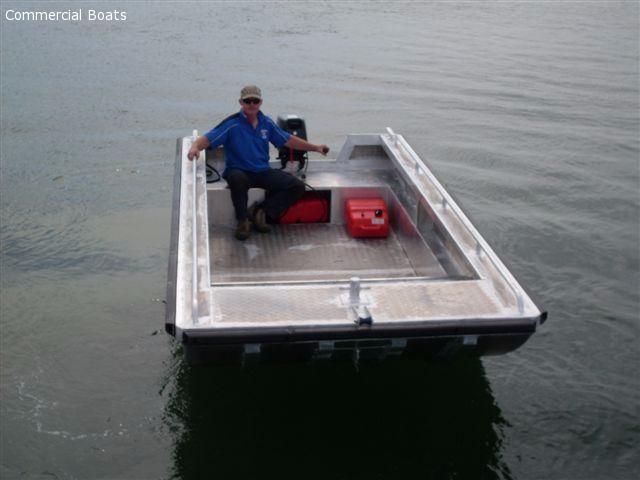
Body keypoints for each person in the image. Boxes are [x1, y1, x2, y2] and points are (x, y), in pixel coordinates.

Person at [188, 85, 329, 241]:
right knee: (237, 179)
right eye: (248, 101)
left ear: (260, 102)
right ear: (241, 102)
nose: (252, 105)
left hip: (262, 171)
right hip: (239, 170)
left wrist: (316, 147)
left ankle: (260, 211)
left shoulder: (266, 123)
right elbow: (207, 138)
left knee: (297, 186)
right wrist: (195, 147)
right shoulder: (232, 124)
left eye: (255, 101)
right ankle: (242, 221)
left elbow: (288, 140)